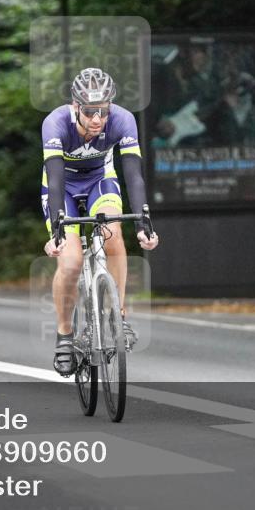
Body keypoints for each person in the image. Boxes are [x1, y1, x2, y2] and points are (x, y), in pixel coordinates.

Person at [40, 67, 159, 376]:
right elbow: (53, 180)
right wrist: (57, 229)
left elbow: (133, 173)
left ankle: (118, 314)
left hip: (99, 181)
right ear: (76, 106)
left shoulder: (123, 120)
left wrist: (144, 222)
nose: (97, 119)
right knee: (70, 263)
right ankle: (65, 335)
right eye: (90, 111)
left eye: (102, 111)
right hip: (62, 186)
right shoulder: (54, 123)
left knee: (113, 235)